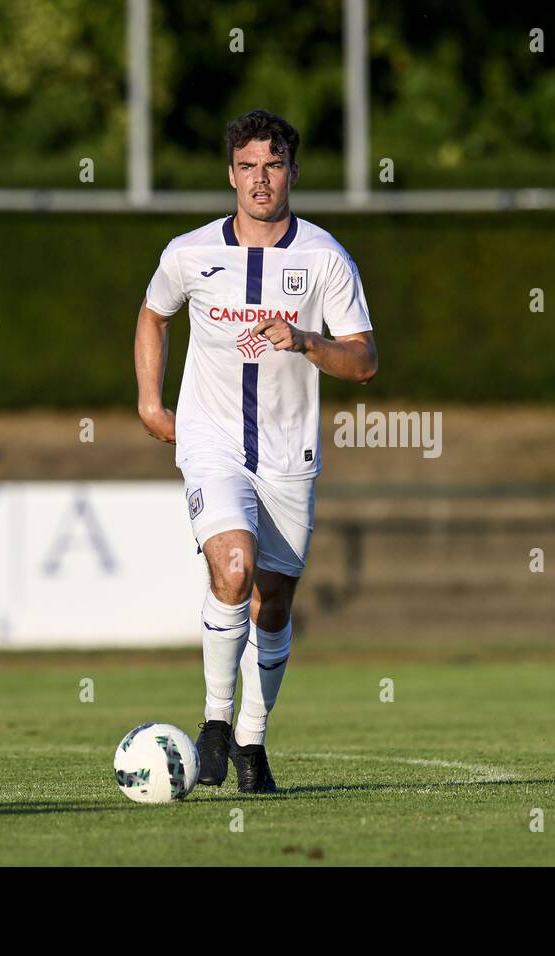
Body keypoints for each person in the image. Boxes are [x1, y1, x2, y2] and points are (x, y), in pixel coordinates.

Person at [133, 110, 378, 790]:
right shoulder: (189, 254)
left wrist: (306, 341)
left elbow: (363, 362)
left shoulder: (325, 259)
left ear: (293, 173)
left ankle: (251, 742)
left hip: (287, 456)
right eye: (247, 166)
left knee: (273, 603)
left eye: (273, 165)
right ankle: (215, 722)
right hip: (210, 442)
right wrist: (152, 403)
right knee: (233, 569)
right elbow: (154, 314)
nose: (260, 179)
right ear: (231, 174)